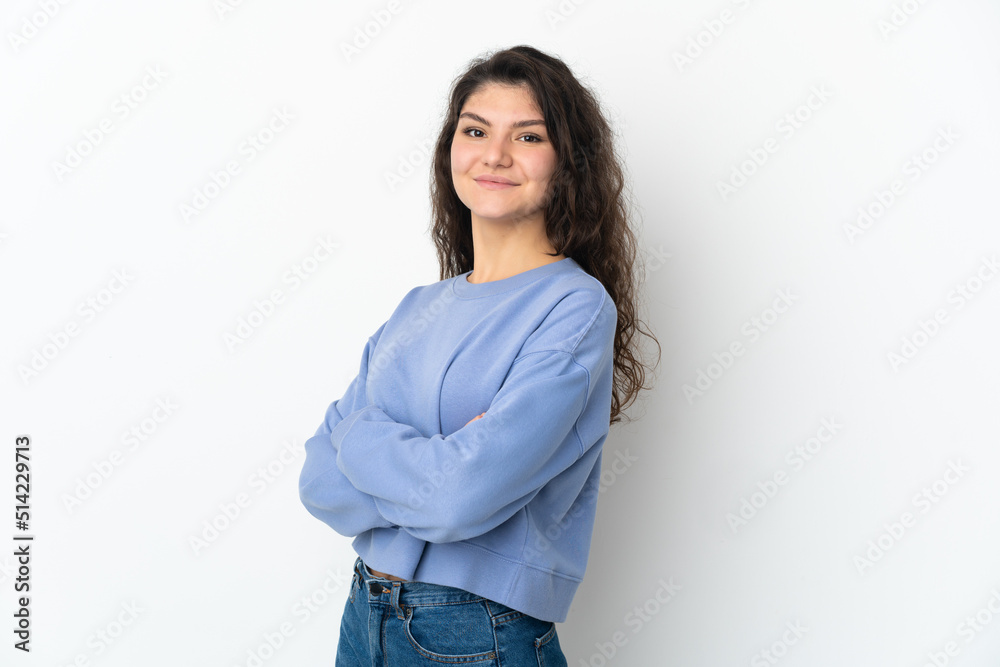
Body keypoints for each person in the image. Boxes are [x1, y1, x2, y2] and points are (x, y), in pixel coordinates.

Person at [298, 44, 659, 666]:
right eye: (475, 130)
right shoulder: (418, 306)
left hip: (474, 630)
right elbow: (319, 483)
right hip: (365, 615)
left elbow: (457, 497)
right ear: (451, 149)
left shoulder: (574, 307)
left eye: (528, 136)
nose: (494, 154)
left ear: (567, 162)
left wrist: (357, 437)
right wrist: (435, 464)